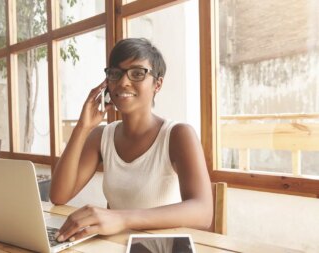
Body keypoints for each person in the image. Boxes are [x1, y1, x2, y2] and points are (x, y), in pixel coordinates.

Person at [50, 38, 213, 243]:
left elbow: (203, 212)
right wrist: (82, 128)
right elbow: (58, 196)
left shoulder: (178, 135)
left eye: (137, 73)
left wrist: (121, 218)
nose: (123, 82)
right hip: (116, 246)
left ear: (157, 84)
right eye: (115, 73)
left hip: (162, 246)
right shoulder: (101, 136)